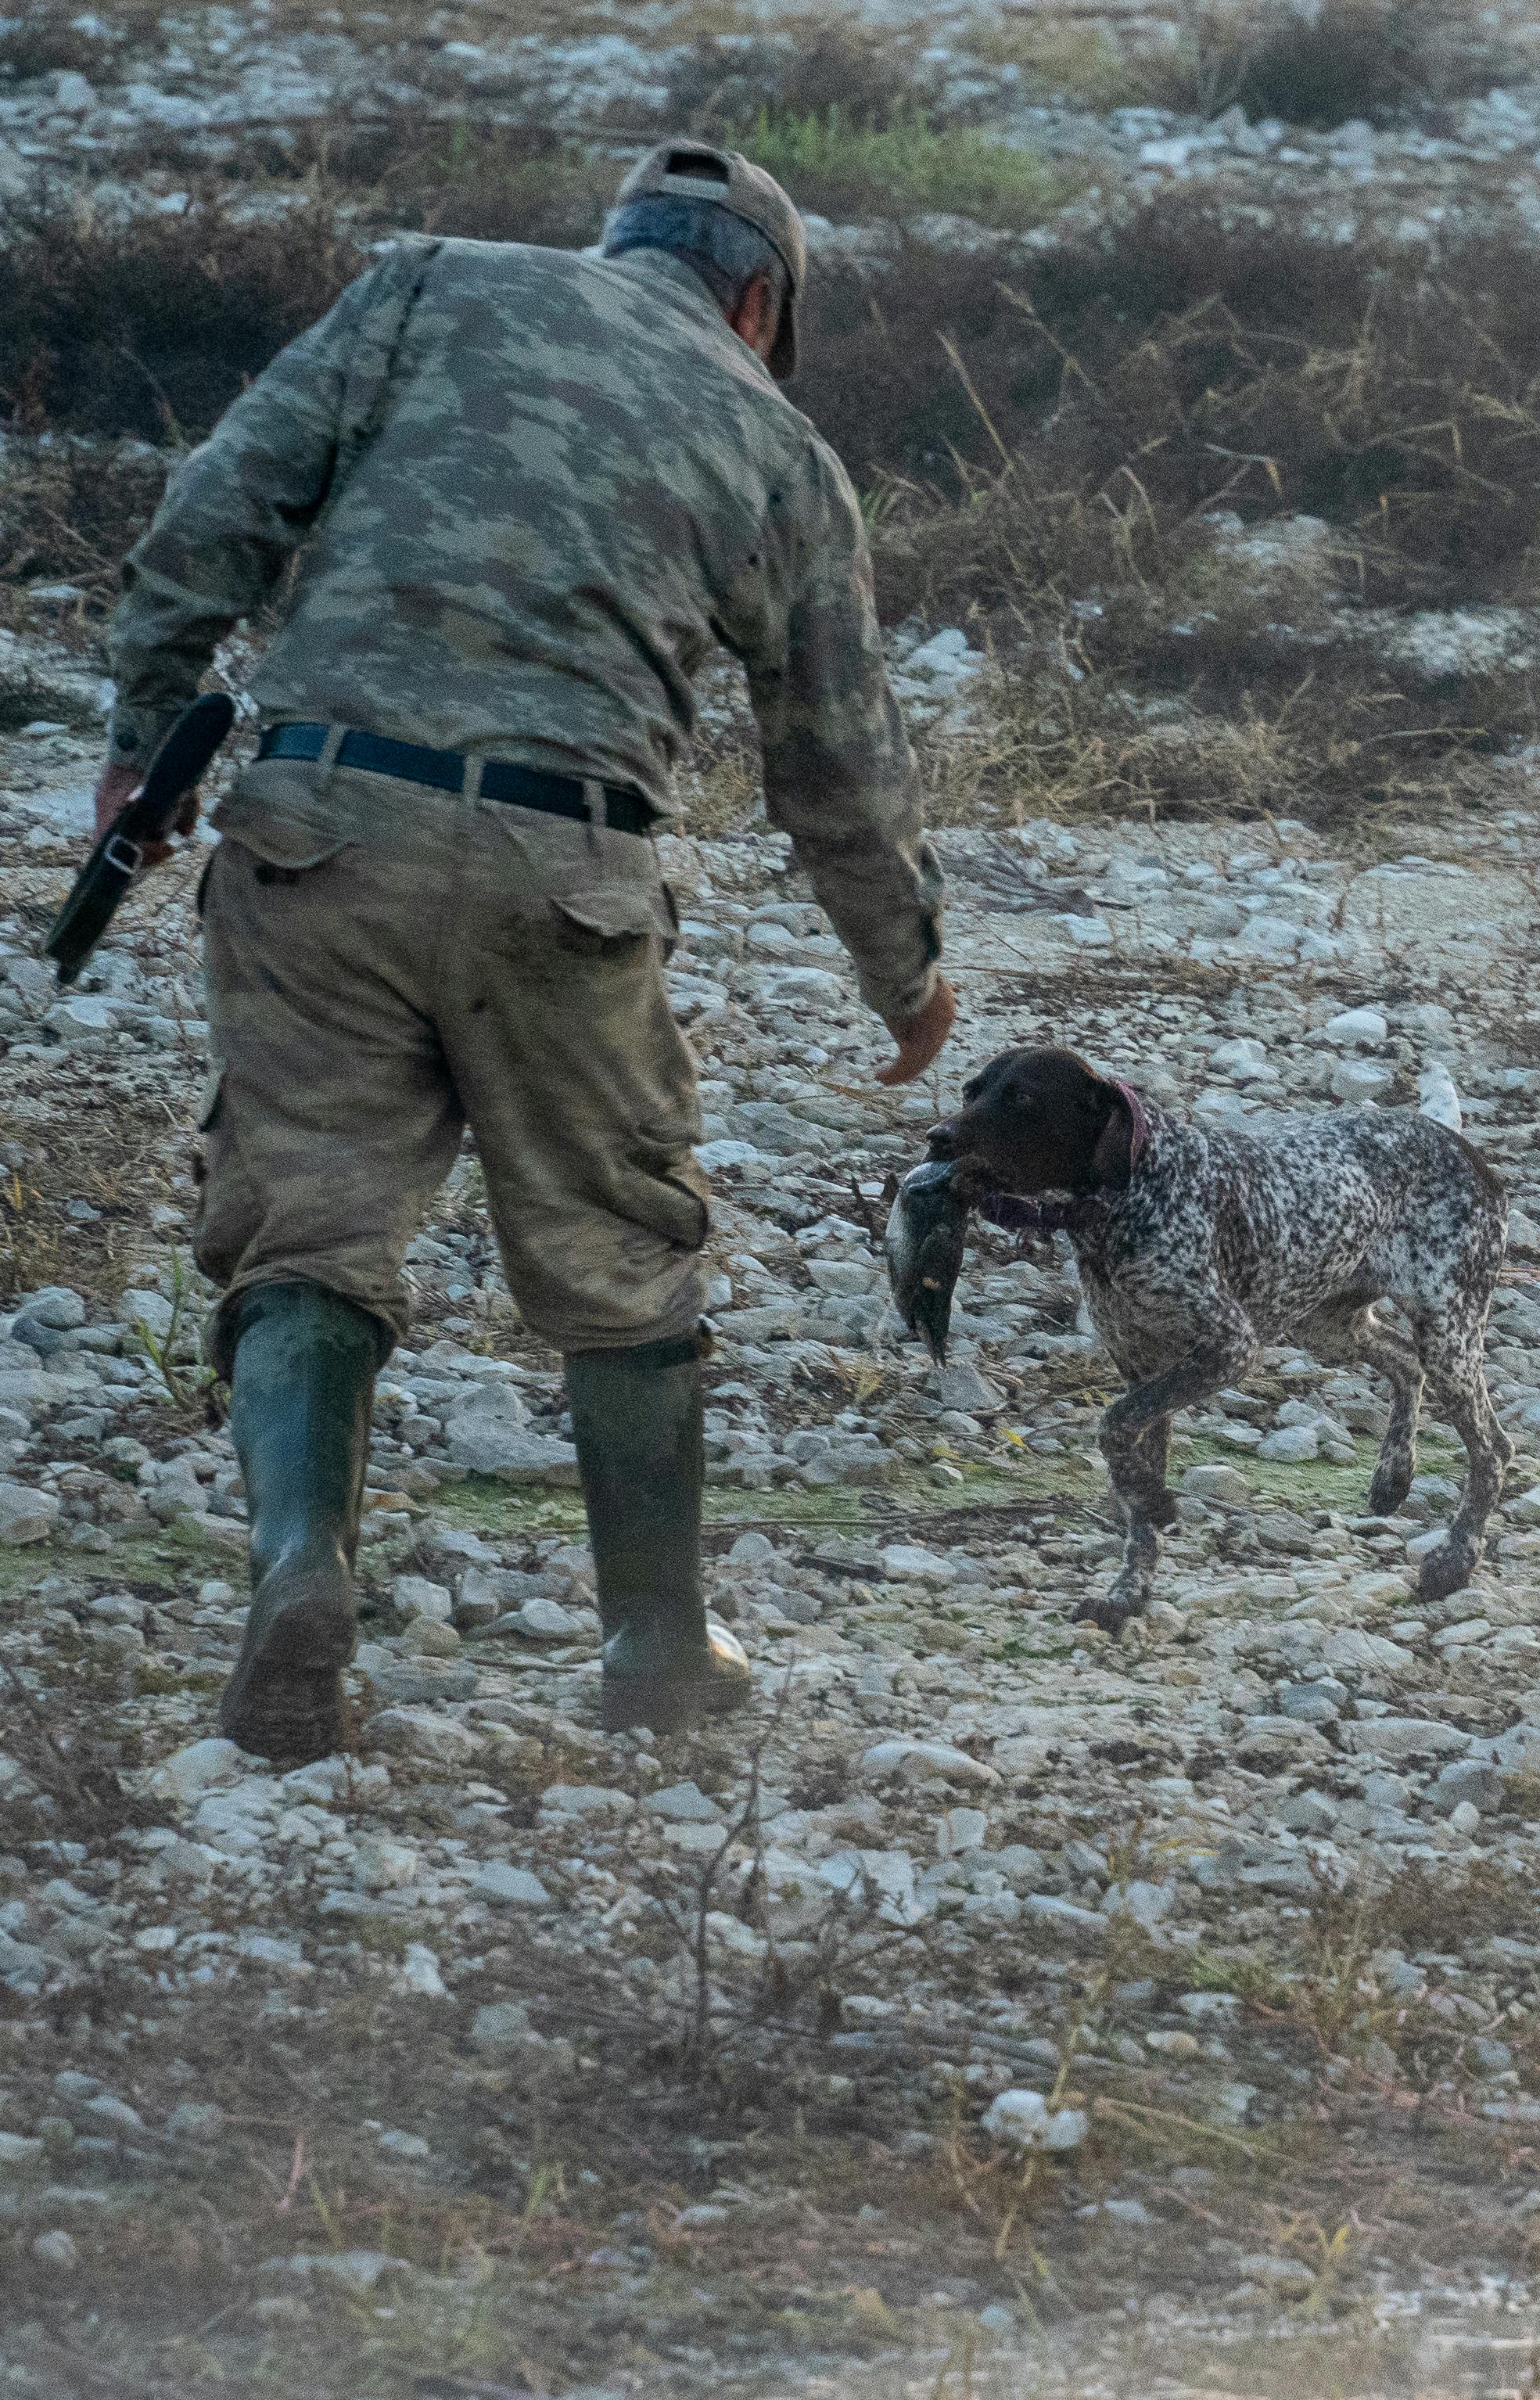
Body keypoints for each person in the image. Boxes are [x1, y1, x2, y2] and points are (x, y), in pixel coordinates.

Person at [95, 139, 958, 1759]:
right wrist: (904, 976)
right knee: (622, 1254)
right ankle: (652, 1639)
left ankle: (301, 1567)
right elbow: (834, 758)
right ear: (760, 300)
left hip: (314, 824)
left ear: (619, 244)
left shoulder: (424, 285)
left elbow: (214, 511)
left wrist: (147, 741)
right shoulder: (778, 448)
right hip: (567, 864)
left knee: (303, 1225)